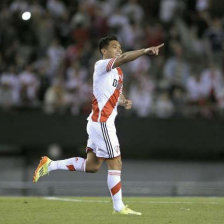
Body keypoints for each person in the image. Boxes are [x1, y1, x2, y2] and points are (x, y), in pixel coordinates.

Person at [33, 35, 164, 215]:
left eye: (120, 46)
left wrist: (123, 101)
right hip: (102, 123)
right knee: (116, 162)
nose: (119, 49)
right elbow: (125, 58)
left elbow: (113, 93)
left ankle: (49, 165)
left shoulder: (118, 72)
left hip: (98, 122)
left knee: (92, 166)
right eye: (115, 46)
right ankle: (118, 207)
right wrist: (145, 50)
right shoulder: (101, 65)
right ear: (104, 50)